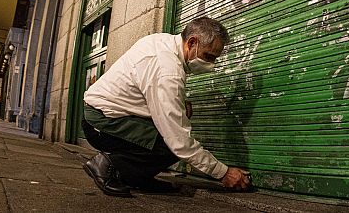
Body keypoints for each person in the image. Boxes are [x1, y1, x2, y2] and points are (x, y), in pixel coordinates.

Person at [81, 17, 252, 197]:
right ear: (192, 42)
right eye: (208, 56)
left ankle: (135, 177)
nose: (211, 65)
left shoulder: (163, 42)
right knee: (170, 145)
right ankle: (107, 165)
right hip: (100, 123)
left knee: (171, 131)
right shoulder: (168, 71)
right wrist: (223, 172)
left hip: (104, 114)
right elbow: (179, 141)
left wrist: (178, 102)